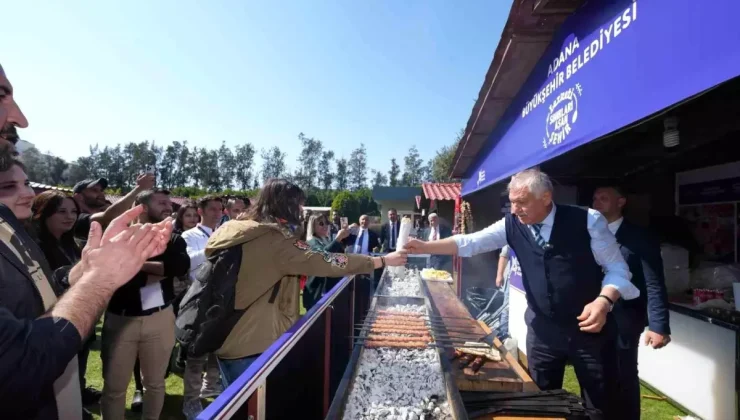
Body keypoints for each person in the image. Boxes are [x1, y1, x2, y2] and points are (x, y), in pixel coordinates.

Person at [405, 168, 638, 418]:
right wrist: (425, 246)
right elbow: (470, 243)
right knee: (540, 402)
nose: (515, 210)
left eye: (521, 202)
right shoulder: (512, 225)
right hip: (542, 331)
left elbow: (618, 269)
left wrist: (604, 300)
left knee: (598, 404)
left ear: (546, 197)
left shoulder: (588, 220)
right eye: (512, 202)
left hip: (589, 332)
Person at [206, 179, 407, 385]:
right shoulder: (275, 241)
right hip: (253, 343)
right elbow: (325, 261)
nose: (302, 210)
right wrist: (379, 260)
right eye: (299, 204)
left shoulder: (238, 229)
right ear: (285, 205)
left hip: (229, 334)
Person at [100, 189, 190, 420]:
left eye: (169, 203)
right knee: (114, 387)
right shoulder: (121, 235)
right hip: (120, 319)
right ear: (143, 206)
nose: (168, 207)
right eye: (161, 202)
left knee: (155, 383)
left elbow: (178, 268)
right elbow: (109, 267)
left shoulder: (174, 238)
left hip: (159, 317)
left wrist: (135, 261)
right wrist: (155, 266)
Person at [592, 186, 671, 420]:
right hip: (593, 316)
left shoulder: (639, 236)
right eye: (595, 198)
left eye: (604, 198)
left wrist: (658, 326)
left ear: (621, 202)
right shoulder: (589, 233)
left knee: (623, 374)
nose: (597, 202)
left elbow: (654, 282)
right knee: (597, 373)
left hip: (625, 318)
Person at [31, 191, 101, 418]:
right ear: (43, 213)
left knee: (76, 370)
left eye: (73, 211)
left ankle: (76, 402)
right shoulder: (33, 248)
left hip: (80, 325)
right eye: (61, 211)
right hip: (49, 325)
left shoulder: (76, 246)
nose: (69, 217)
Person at [180, 195, 225, 419]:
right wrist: (215, 244)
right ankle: (190, 400)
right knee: (196, 355)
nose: (217, 213)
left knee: (218, 349)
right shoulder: (189, 235)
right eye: (212, 209)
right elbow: (189, 265)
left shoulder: (225, 231)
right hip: (199, 299)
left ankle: (211, 386)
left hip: (222, 300)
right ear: (201, 211)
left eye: (220, 209)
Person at [303, 214, 355, 310]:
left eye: (327, 223)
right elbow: (324, 256)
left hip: (329, 291)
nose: (325, 226)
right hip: (317, 294)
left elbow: (339, 256)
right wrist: (338, 238)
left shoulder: (326, 240)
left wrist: (345, 236)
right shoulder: (311, 242)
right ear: (313, 226)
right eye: (321, 223)